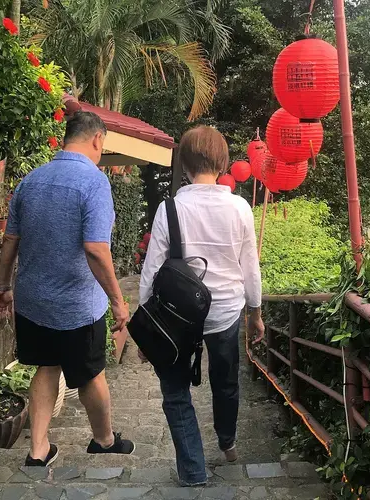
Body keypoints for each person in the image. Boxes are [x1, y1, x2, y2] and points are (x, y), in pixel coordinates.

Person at [0, 111, 135, 467]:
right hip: (77, 304)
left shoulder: (31, 180)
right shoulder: (94, 182)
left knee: (46, 366)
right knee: (89, 376)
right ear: (97, 139)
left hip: (33, 301)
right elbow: (97, 249)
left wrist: (3, 286)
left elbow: (11, 238)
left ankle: (38, 449)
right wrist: (118, 302)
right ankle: (103, 440)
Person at [139, 125, 265, 486]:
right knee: (225, 381)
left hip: (178, 316)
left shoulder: (171, 208)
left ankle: (193, 469)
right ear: (223, 161)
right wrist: (255, 313)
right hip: (225, 311)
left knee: (175, 389)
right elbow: (249, 266)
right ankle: (227, 442)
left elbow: (152, 268)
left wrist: (147, 326)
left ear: (186, 161)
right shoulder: (239, 206)